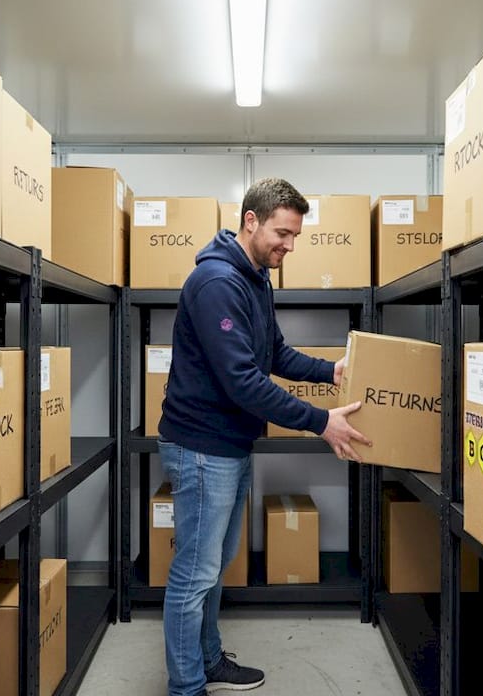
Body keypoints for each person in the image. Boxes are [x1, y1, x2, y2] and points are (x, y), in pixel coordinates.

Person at [156, 177, 371, 696]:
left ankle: (207, 660)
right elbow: (243, 381)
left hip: (228, 445)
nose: (289, 246)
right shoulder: (216, 284)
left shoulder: (254, 279)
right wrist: (322, 422)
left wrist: (331, 372)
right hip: (201, 447)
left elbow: (273, 355)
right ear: (250, 220)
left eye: (295, 236)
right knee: (194, 573)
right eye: (282, 233)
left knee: (213, 566)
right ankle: (186, 686)